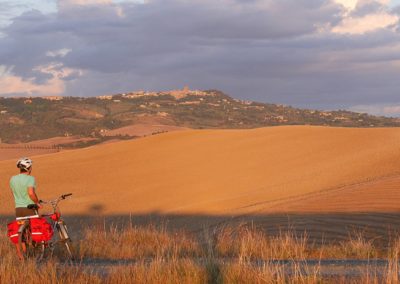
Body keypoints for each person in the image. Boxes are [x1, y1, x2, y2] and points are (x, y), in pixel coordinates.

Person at [10, 157, 41, 259]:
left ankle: (22, 255)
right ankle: (34, 252)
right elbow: (31, 193)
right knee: (35, 229)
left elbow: (14, 193)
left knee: (21, 231)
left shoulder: (13, 179)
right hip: (29, 208)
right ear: (28, 168)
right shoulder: (30, 179)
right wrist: (37, 202)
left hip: (18, 209)